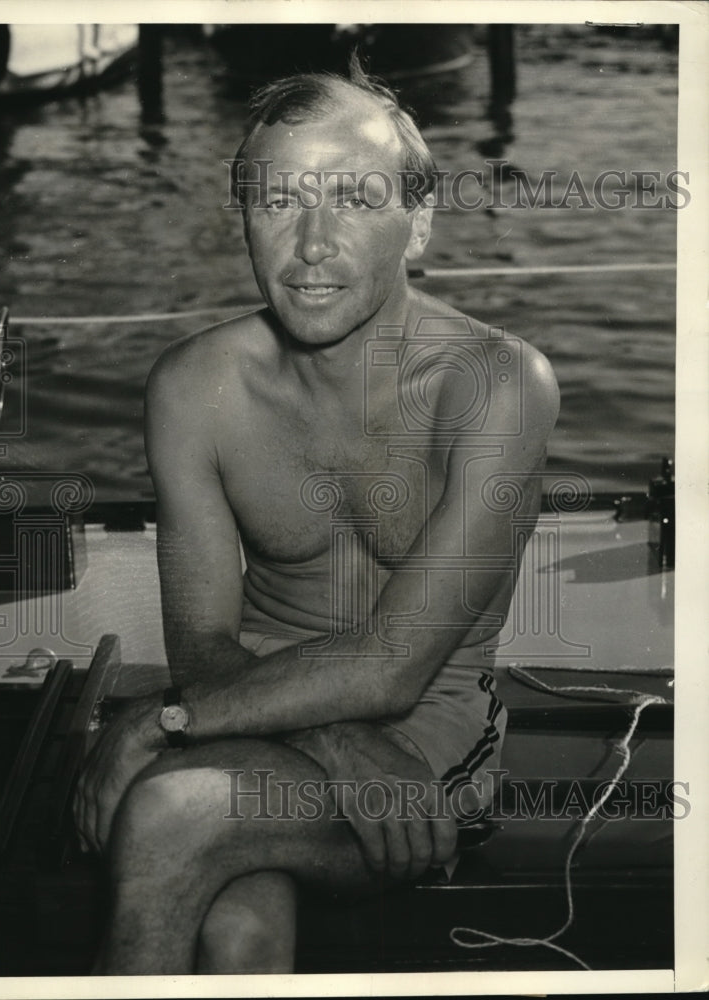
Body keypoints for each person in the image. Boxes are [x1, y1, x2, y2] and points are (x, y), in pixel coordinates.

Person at [74, 60, 559, 975]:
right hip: (245, 713)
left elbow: (391, 667)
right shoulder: (195, 387)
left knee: (175, 813)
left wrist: (162, 724)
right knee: (235, 924)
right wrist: (312, 740)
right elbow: (203, 647)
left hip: (429, 749)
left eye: (354, 199)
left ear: (419, 223)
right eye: (277, 201)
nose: (310, 245)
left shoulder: (495, 384)